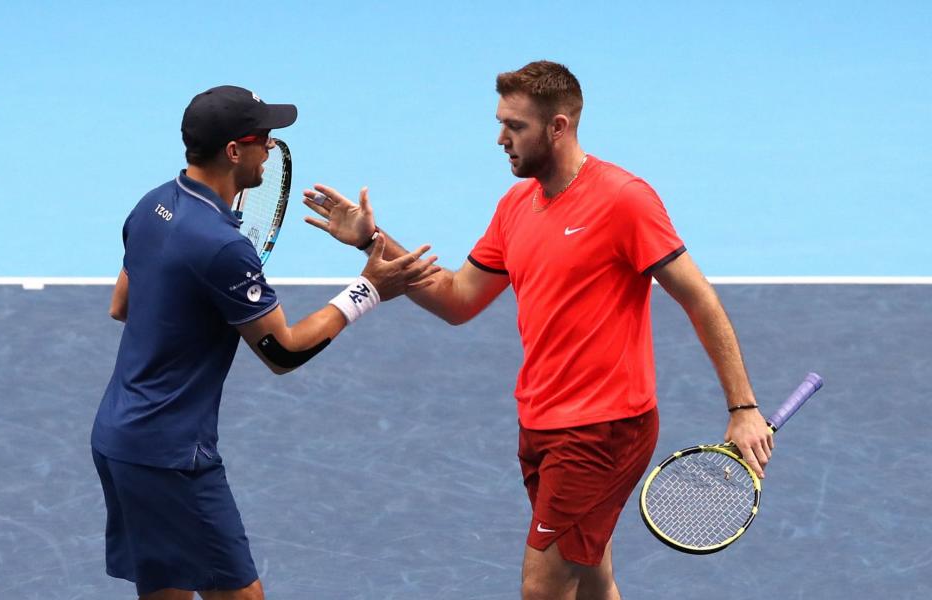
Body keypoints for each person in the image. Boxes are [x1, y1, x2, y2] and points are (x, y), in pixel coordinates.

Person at [302, 61, 774, 600]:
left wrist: (743, 408)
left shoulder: (624, 200)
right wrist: (373, 243)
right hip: (541, 423)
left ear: (559, 127)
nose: (501, 138)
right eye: (500, 122)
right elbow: (458, 299)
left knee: (542, 589)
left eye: (516, 126)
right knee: (593, 581)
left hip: (602, 431)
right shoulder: (515, 206)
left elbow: (699, 299)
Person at [90, 85, 439, 600]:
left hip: (117, 441)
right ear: (234, 151)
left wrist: (194, 308)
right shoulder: (223, 247)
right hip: (172, 456)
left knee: (165, 591)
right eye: (264, 138)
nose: (271, 149)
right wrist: (367, 291)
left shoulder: (153, 204)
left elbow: (123, 305)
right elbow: (282, 351)